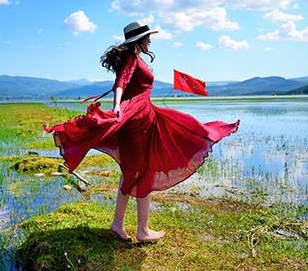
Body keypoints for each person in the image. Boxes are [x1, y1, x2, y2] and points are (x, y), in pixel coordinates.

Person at [44, 21, 240, 242]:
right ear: (138, 40)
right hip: (137, 121)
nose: (150, 40)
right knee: (141, 171)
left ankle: (118, 224)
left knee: (133, 170)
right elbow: (121, 82)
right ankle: (143, 231)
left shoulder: (135, 58)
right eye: (147, 37)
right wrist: (117, 106)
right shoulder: (130, 59)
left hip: (144, 116)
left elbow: (127, 83)